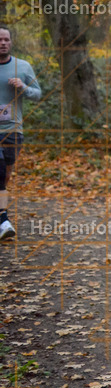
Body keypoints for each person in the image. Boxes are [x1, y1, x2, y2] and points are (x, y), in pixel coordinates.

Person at [0, 27, 42, 241]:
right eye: (0, 39)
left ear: (11, 42)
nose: (3, 43)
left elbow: (38, 94)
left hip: (13, 130)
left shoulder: (22, 67)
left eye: (6, 39)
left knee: (4, 176)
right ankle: (3, 219)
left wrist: (24, 87)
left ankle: (1, 215)